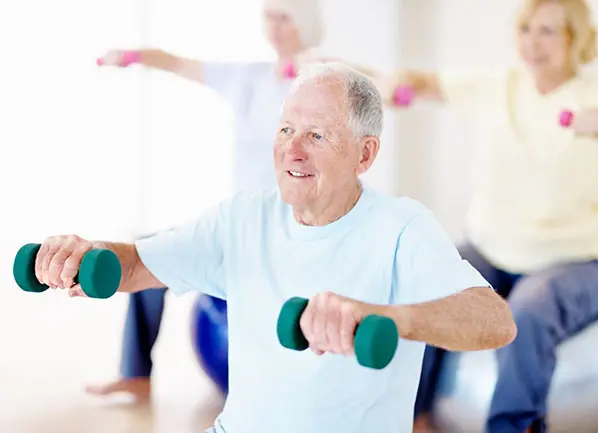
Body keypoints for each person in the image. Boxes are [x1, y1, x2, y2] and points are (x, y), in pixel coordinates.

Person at [32, 62, 516, 433]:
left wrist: (396, 318)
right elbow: (137, 265)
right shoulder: (242, 217)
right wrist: (82, 252)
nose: (292, 149)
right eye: (286, 129)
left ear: (365, 154)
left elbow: (495, 321)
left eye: (317, 135)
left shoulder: (402, 228)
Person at [379, 0, 598, 432]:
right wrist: (400, 80)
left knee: (526, 314)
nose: (533, 42)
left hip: (575, 262)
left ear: (574, 39)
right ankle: (414, 419)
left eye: (548, 31)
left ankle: (512, 427)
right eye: (527, 29)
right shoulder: (499, 86)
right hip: (492, 248)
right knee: (426, 283)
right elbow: (428, 82)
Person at [87, 0, 327, 400]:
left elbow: (372, 87)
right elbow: (180, 63)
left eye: (285, 18)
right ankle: (136, 375)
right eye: (269, 16)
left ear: (305, 25)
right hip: (238, 222)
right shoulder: (247, 78)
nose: (275, 27)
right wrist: (131, 56)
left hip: (293, 229)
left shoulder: (325, 82)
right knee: (150, 251)